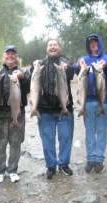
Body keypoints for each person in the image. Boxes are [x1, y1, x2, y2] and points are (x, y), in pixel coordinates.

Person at [0, 45, 30, 183]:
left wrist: (22, 78)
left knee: (16, 143)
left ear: (16, 57)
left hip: (17, 114)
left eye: (13, 54)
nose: (10, 56)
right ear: (3, 56)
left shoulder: (23, 72)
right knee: (0, 144)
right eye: (7, 54)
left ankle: (13, 170)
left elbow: (29, 87)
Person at [31, 39, 75, 179]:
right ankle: (51, 166)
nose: (53, 47)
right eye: (50, 45)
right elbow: (31, 78)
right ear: (46, 49)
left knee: (66, 138)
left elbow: (72, 72)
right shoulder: (40, 64)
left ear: (59, 48)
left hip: (65, 108)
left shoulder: (66, 62)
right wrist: (33, 68)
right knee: (47, 140)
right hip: (44, 110)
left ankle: (64, 164)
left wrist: (67, 68)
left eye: (55, 45)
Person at [73, 34, 107, 173]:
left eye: (96, 42)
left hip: (104, 100)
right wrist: (78, 65)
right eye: (91, 43)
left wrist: (106, 65)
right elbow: (75, 68)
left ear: (100, 43)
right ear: (88, 46)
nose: (93, 44)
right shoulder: (84, 59)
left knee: (102, 132)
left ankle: (99, 160)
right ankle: (90, 158)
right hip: (88, 101)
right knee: (89, 132)